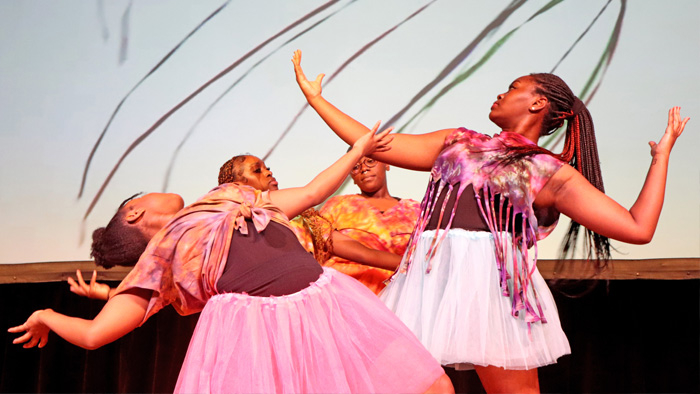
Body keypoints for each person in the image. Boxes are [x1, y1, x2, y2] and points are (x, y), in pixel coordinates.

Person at [292, 49, 689, 393]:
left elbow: (639, 228)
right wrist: (317, 100)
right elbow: (374, 141)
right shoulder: (457, 141)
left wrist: (661, 158)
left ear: (538, 104)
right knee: (392, 380)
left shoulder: (548, 172)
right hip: (429, 279)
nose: (501, 92)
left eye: (514, 86)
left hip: (493, 288)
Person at [9, 126, 454, 394]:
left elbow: (314, 193)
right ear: (135, 211)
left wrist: (357, 150)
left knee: (430, 384)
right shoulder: (160, 260)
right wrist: (47, 314)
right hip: (258, 336)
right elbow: (93, 335)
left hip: (325, 305)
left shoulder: (231, 195)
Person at [317, 155, 420, 294]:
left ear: (387, 164)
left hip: (400, 300)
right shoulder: (337, 206)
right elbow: (315, 256)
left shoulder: (415, 210)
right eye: (355, 167)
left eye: (370, 161)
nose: (364, 168)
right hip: (345, 297)